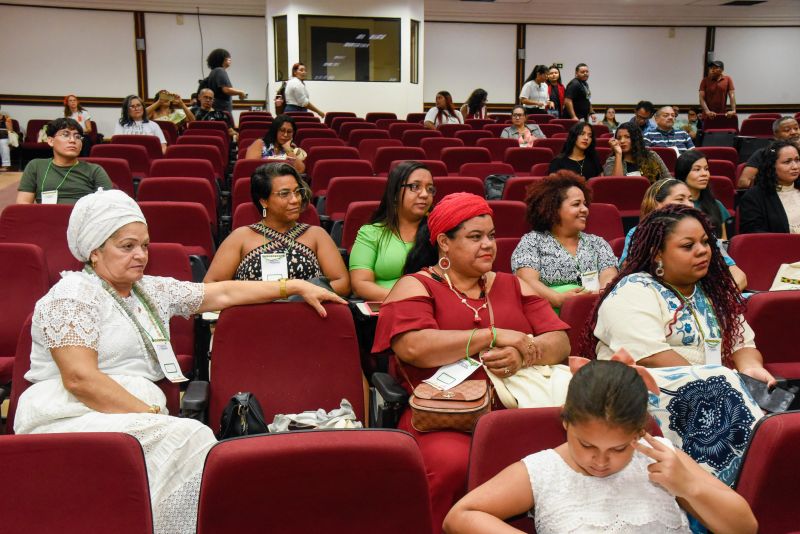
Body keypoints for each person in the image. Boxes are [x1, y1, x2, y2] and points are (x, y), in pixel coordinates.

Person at [13, 189, 345, 533]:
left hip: (127, 415)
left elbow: (221, 293)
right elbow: (80, 379)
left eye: (144, 245)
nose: (140, 255)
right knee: (191, 438)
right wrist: (152, 414)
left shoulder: (147, 289)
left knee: (191, 440)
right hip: (71, 413)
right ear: (94, 251)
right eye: (127, 247)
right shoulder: (72, 295)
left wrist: (292, 285)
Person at [373, 192, 570, 533]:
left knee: (571, 452)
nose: (489, 245)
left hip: (521, 406)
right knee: (454, 465)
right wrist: (489, 335)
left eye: (492, 236)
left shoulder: (510, 284)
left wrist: (524, 353)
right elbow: (414, 347)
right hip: (448, 416)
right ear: (444, 243)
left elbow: (559, 340)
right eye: (475, 237)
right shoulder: (416, 285)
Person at [443, 359, 758, 534]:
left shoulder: (660, 456)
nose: (600, 461)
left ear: (638, 432)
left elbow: (745, 528)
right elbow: (461, 515)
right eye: (586, 444)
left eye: (620, 449)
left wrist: (689, 487)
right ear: (566, 422)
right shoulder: (544, 470)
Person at [204, 162, 350, 296]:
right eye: (284, 194)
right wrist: (268, 293)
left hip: (306, 316)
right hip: (253, 318)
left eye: (297, 191)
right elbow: (210, 286)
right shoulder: (240, 237)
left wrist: (299, 294)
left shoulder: (316, 235)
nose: (295, 200)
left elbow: (342, 283)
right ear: (264, 201)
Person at [512, 171, 618, 310]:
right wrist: (559, 299)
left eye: (585, 204)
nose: (585, 209)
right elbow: (527, 280)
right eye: (576, 204)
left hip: (595, 312)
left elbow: (609, 274)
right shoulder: (532, 242)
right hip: (548, 315)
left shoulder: (597, 243)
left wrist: (601, 296)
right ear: (554, 208)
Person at [619, 178, 748, 291]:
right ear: (657, 204)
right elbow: (627, 273)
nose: (689, 205)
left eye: (690, 199)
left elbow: (739, 276)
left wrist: (722, 298)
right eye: (680, 199)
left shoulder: (703, 232)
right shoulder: (638, 233)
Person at [350, 161, 434, 301]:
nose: (425, 194)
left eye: (430, 189)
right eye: (415, 187)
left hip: (433, 308)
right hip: (385, 309)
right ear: (395, 192)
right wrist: (409, 300)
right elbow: (360, 284)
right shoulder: (371, 233)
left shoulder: (439, 233)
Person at [16, 118, 113, 205]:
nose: (72, 140)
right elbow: (23, 203)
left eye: (77, 137)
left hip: (84, 221)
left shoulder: (94, 170)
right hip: (45, 220)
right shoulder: (36, 166)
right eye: (65, 135)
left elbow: (110, 205)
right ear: (51, 141)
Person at [739, 140, 800, 234]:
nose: (795, 166)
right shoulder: (754, 197)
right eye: (787, 162)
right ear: (772, 166)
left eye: (797, 160)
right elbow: (754, 235)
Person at [675, 150, 729, 240]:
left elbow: (724, 242)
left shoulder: (716, 205)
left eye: (706, 169)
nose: (704, 174)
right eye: (697, 169)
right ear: (683, 173)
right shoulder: (673, 205)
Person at [738, 116, 800, 188]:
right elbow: (743, 182)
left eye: (796, 128)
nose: (793, 132)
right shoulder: (765, 153)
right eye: (787, 130)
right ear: (776, 135)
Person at [605, 123, 671, 182]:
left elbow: (669, 180)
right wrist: (618, 154)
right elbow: (615, 185)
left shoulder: (651, 155)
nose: (622, 141)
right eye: (619, 138)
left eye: (627, 137)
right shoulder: (612, 160)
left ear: (636, 139)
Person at [206, 48, 248, 115]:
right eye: (227, 57)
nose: (230, 59)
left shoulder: (213, 72)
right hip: (222, 110)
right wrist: (241, 92)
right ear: (222, 59)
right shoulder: (220, 70)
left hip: (216, 109)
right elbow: (226, 90)